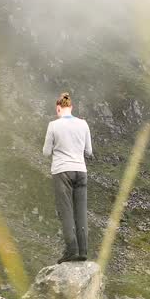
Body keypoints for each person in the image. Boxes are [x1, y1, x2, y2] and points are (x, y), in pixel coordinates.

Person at [42, 92, 93, 263]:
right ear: (71, 108)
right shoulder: (83, 124)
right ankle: (83, 250)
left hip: (62, 171)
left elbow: (46, 152)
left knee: (66, 212)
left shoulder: (53, 125)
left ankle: (71, 249)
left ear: (58, 108)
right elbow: (89, 152)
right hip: (81, 170)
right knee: (80, 211)